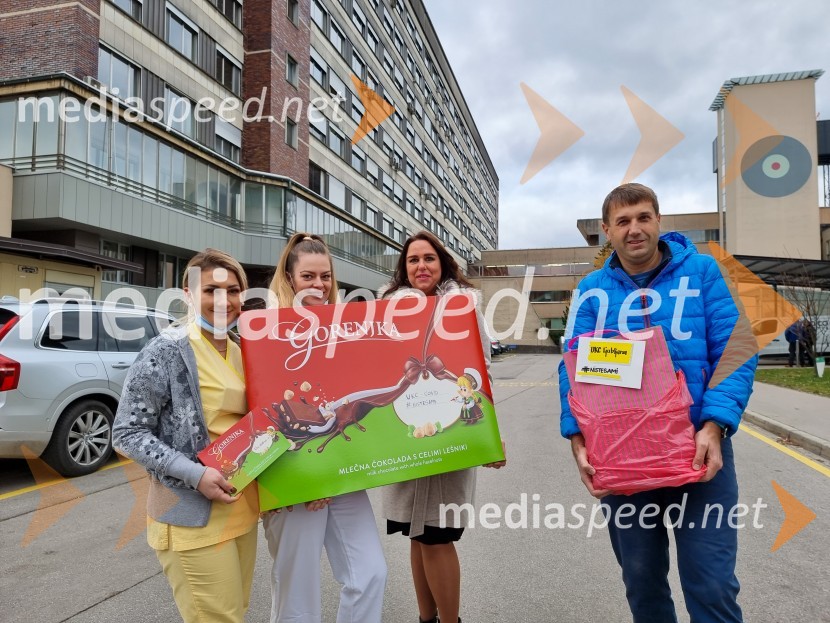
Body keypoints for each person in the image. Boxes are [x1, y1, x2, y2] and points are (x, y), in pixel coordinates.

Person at [558, 184, 756, 623]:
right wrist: (577, 437)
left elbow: (736, 348)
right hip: (623, 460)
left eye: (643, 218)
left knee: (712, 583)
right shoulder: (592, 290)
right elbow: (571, 367)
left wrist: (714, 425)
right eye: (623, 221)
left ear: (659, 221)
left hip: (698, 454)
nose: (635, 229)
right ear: (607, 230)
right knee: (642, 582)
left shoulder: (702, 272)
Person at [113, 249, 258, 623]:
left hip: (242, 507)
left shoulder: (243, 349)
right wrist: (195, 474)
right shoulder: (167, 350)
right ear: (188, 294)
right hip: (190, 515)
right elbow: (127, 433)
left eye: (233, 290)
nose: (224, 301)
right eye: (211, 290)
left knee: (234, 613)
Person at [381, 230, 505, 623]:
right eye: (413, 259)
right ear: (404, 268)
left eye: (429, 258)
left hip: (450, 431)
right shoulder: (387, 313)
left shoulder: (463, 308)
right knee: (416, 535)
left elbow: (481, 374)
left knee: (436, 534)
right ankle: (426, 619)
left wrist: (489, 435)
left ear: (443, 264)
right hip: (407, 432)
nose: (421, 266)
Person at [262, 232, 387, 623]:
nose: (318, 285)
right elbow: (265, 415)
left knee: (370, 573)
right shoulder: (266, 331)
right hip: (293, 480)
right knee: (297, 596)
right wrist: (307, 482)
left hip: (341, 474)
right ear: (289, 278)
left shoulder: (345, 329)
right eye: (308, 276)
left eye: (326, 276)